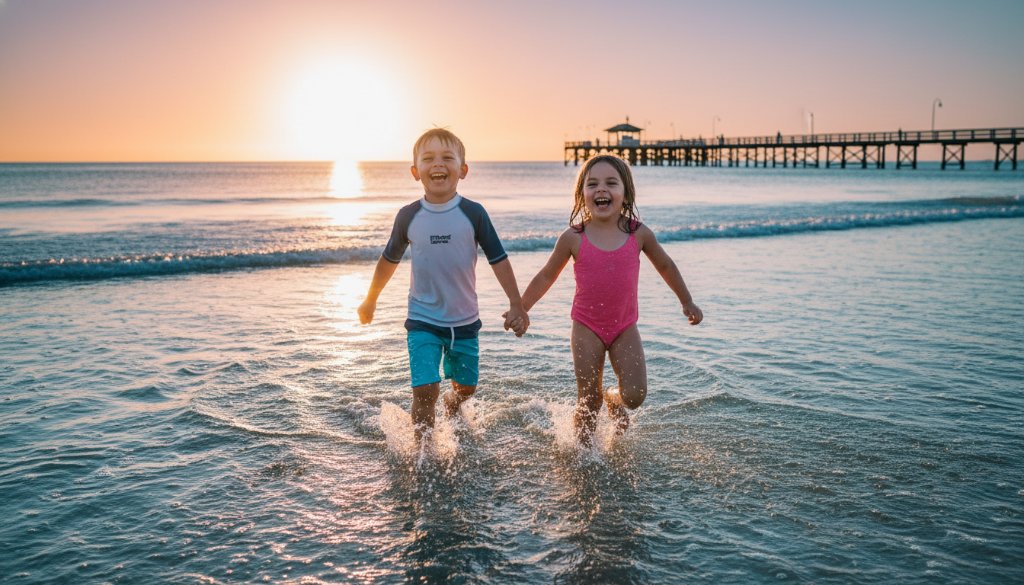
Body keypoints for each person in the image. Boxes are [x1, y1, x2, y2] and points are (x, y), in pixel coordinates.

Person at [513, 155, 702, 446]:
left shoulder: (638, 234)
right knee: (588, 400)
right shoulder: (573, 237)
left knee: (635, 396)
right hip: (586, 326)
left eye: (611, 183)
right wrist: (522, 307)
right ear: (582, 194)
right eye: (593, 184)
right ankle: (583, 455)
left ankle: (613, 401)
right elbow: (546, 275)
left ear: (625, 193)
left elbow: (666, 265)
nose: (601, 189)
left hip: (625, 326)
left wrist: (686, 301)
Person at [358, 128, 529, 442]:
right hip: (422, 320)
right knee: (425, 390)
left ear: (463, 170)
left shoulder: (474, 214)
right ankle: (423, 454)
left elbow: (499, 259)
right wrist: (371, 299)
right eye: (428, 159)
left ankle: (454, 404)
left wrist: (516, 303)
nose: (438, 164)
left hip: (464, 321)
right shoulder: (408, 216)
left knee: (466, 388)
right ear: (415, 172)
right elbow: (388, 260)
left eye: (448, 158)